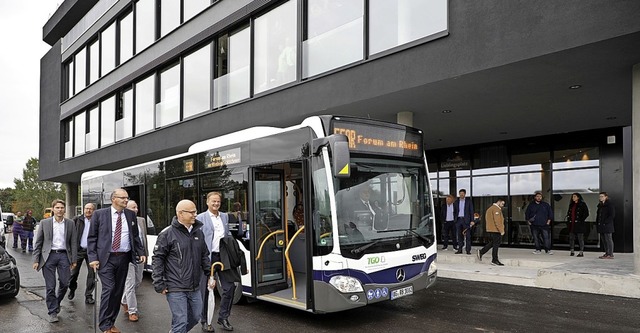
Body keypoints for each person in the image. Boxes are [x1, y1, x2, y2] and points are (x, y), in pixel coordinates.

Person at [88, 189, 146, 333]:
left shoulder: (130, 215)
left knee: (118, 291)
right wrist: (93, 258)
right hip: (105, 258)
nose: (126, 200)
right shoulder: (99, 215)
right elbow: (92, 238)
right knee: (109, 289)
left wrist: (141, 252)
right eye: (123, 198)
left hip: (124, 258)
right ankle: (104, 325)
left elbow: (135, 237)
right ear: (113, 199)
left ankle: (110, 322)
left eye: (127, 198)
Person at [153, 199, 211, 333]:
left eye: (195, 211)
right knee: (181, 320)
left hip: (195, 286)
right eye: (191, 212)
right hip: (175, 286)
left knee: (196, 316)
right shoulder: (167, 234)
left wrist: (210, 273)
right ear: (180, 214)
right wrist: (159, 283)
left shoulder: (198, 232)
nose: (194, 215)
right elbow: (158, 258)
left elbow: (204, 254)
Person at [32, 199, 78, 323]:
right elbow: (39, 242)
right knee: (50, 286)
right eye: (57, 207)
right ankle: (52, 311)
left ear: (64, 209)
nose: (60, 210)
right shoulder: (44, 223)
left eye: (62, 207)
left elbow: (73, 242)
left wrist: (74, 259)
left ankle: (56, 303)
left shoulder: (70, 223)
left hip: (64, 255)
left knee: (65, 283)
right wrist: (36, 259)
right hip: (48, 257)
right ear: (53, 209)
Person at [198, 192, 235, 332]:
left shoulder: (224, 216)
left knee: (229, 287)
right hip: (208, 258)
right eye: (213, 201)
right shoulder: (201, 218)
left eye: (218, 201)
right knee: (206, 291)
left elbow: (228, 235)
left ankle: (223, 318)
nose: (216, 204)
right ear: (207, 202)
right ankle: (205, 321)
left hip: (224, 257)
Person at [121, 200, 148, 322]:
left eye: (136, 207)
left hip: (140, 256)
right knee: (130, 284)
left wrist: (145, 253)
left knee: (138, 281)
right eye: (133, 207)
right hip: (129, 257)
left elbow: (143, 239)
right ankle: (132, 311)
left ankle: (123, 300)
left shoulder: (141, 220)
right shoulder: (122, 221)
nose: (136, 209)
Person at [68, 203, 97, 304]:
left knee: (92, 275)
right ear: (83, 209)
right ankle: (72, 288)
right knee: (73, 274)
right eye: (86, 208)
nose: (88, 211)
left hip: (92, 252)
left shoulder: (97, 221)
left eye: (90, 209)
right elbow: (69, 234)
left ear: (94, 211)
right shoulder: (77, 220)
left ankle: (88, 295)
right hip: (78, 250)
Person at [477, 199, 506, 266]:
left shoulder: (491, 208)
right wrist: (501, 230)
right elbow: (497, 221)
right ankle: (494, 259)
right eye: (502, 203)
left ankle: (482, 252)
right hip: (495, 230)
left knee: (493, 243)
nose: (503, 205)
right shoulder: (496, 209)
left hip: (493, 229)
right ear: (499, 202)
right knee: (496, 245)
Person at [566, 193, 589, 257]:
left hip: (579, 224)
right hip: (572, 223)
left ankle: (581, 252)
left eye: (574, 196)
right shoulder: (571, 205)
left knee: (580, 238)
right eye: (572, 196)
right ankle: (572, 251)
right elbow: (569, 213)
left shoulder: (582, 204)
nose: (573, 198)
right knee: (571, 238)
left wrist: (581, 220)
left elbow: (586, 213)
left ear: (578, 197)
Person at [453, 189, 475, 255]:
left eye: (462, 193)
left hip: (466, 220)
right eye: (460, 193)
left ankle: (468, 250)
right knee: (459, 235)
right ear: (459, 194)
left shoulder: (468, 201)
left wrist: (472, 220)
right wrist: (455, 219)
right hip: (459, 220)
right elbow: (455, 211)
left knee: (468, 236)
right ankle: (460, 249)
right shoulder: (456, 202)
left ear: (465, 194)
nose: (461, 195)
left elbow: (471, 211)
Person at [596, 192, 615, 259]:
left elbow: (612, 215)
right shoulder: (600, 205)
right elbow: (598, 216)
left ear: (606, 197)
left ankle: (610, 253)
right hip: (601, 225)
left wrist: (606, 222)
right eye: (600, 196)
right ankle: (607, 253)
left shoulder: (609, 205)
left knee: (608, 239)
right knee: (604, 240)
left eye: (602, 196)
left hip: (607, 225)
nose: (601, 198)